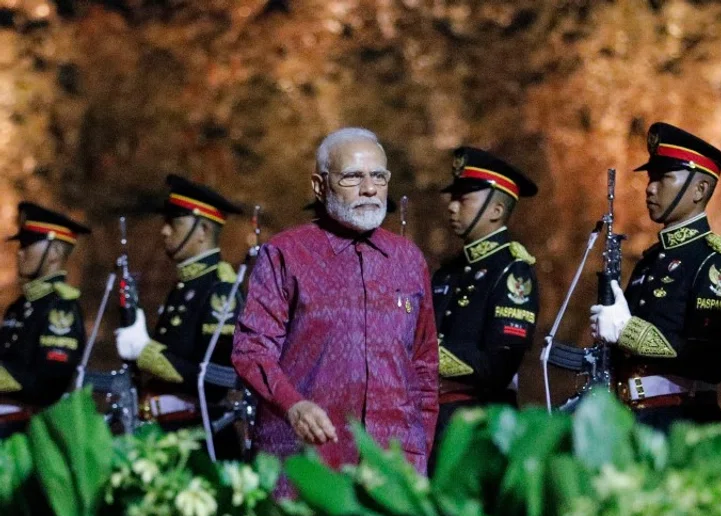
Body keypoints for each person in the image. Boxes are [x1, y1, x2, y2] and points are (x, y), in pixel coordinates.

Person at [232, 127, 438, 484]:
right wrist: (292, 405)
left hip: (391, 468)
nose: (370, 189)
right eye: (353, 177)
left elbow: (424, 363)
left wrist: (418, 448)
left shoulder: (408, 260)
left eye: (378, 176)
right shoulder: (286, 254)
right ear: (319, 185)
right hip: (306, 463)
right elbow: (252, 350)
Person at [590, 122, 721, 431]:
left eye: (663, 178)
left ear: (700, 190)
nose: (650, 187)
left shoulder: (714, 261)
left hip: (680, 423)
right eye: (651, 177)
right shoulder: (649, 263)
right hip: (631, 422)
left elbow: (709, 360)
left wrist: (628, 331)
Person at [114, 174, 245, 458]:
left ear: (202, 230)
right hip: (166, 432)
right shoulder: (185, 286)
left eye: (174, 223)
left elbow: (215, 377)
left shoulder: (220, 289)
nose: (164, 231)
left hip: (200, 439)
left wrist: (144, 350)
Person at [430, 147, 539, 469]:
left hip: (481, 423)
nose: (451, 207)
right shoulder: (448, 271)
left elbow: (498, 365)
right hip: (437, 422)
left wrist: (425, 352)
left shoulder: (511, 272)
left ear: (496, 210)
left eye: (463, 199)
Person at [0, 203, 89, 438]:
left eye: (28, 244)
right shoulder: (18, 307)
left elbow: (48, 383)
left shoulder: (60, 308)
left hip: (28, 432)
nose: (20, 252)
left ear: (54, 253)